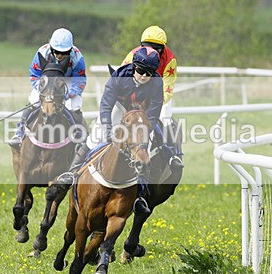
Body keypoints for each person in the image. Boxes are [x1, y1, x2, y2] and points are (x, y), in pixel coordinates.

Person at [56, 47, 164, 214]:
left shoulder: (157, 82)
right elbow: (106, 105)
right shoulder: (119, 76)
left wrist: (144, 132)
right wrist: (107, 127)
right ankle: (72, 172)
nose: (143, 76)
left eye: (148, 73)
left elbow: (154, 111)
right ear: (134, 66)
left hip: (141, 114)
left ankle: (140, 195)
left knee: (146, 149)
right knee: (96, 136)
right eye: (141, 70)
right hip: (118, 107)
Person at [8, 28, 87, 147]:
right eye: (56, 51)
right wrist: (43, 89)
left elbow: (80, 81)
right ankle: (20, 131)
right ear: (51, 47)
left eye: (64, 52)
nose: (60, 55)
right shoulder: (42, 53)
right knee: (34, 100)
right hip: (46, 82)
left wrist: (69, 94)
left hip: (67, 81)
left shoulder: (77, 57)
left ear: (70, 49)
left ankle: (79, 136)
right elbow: (34, 75)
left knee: (74, 104)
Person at [120, 25, 183, 167]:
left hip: (158, 95)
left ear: (162, 49)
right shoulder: (133, 55)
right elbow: (122, 78)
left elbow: (167, 88)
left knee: (166, 118)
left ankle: (173, 155)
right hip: (134, 95)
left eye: (155, 48)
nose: (150, 51)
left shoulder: (170, 60)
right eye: (147, 46)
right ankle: (96, 147)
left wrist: (153, 102)